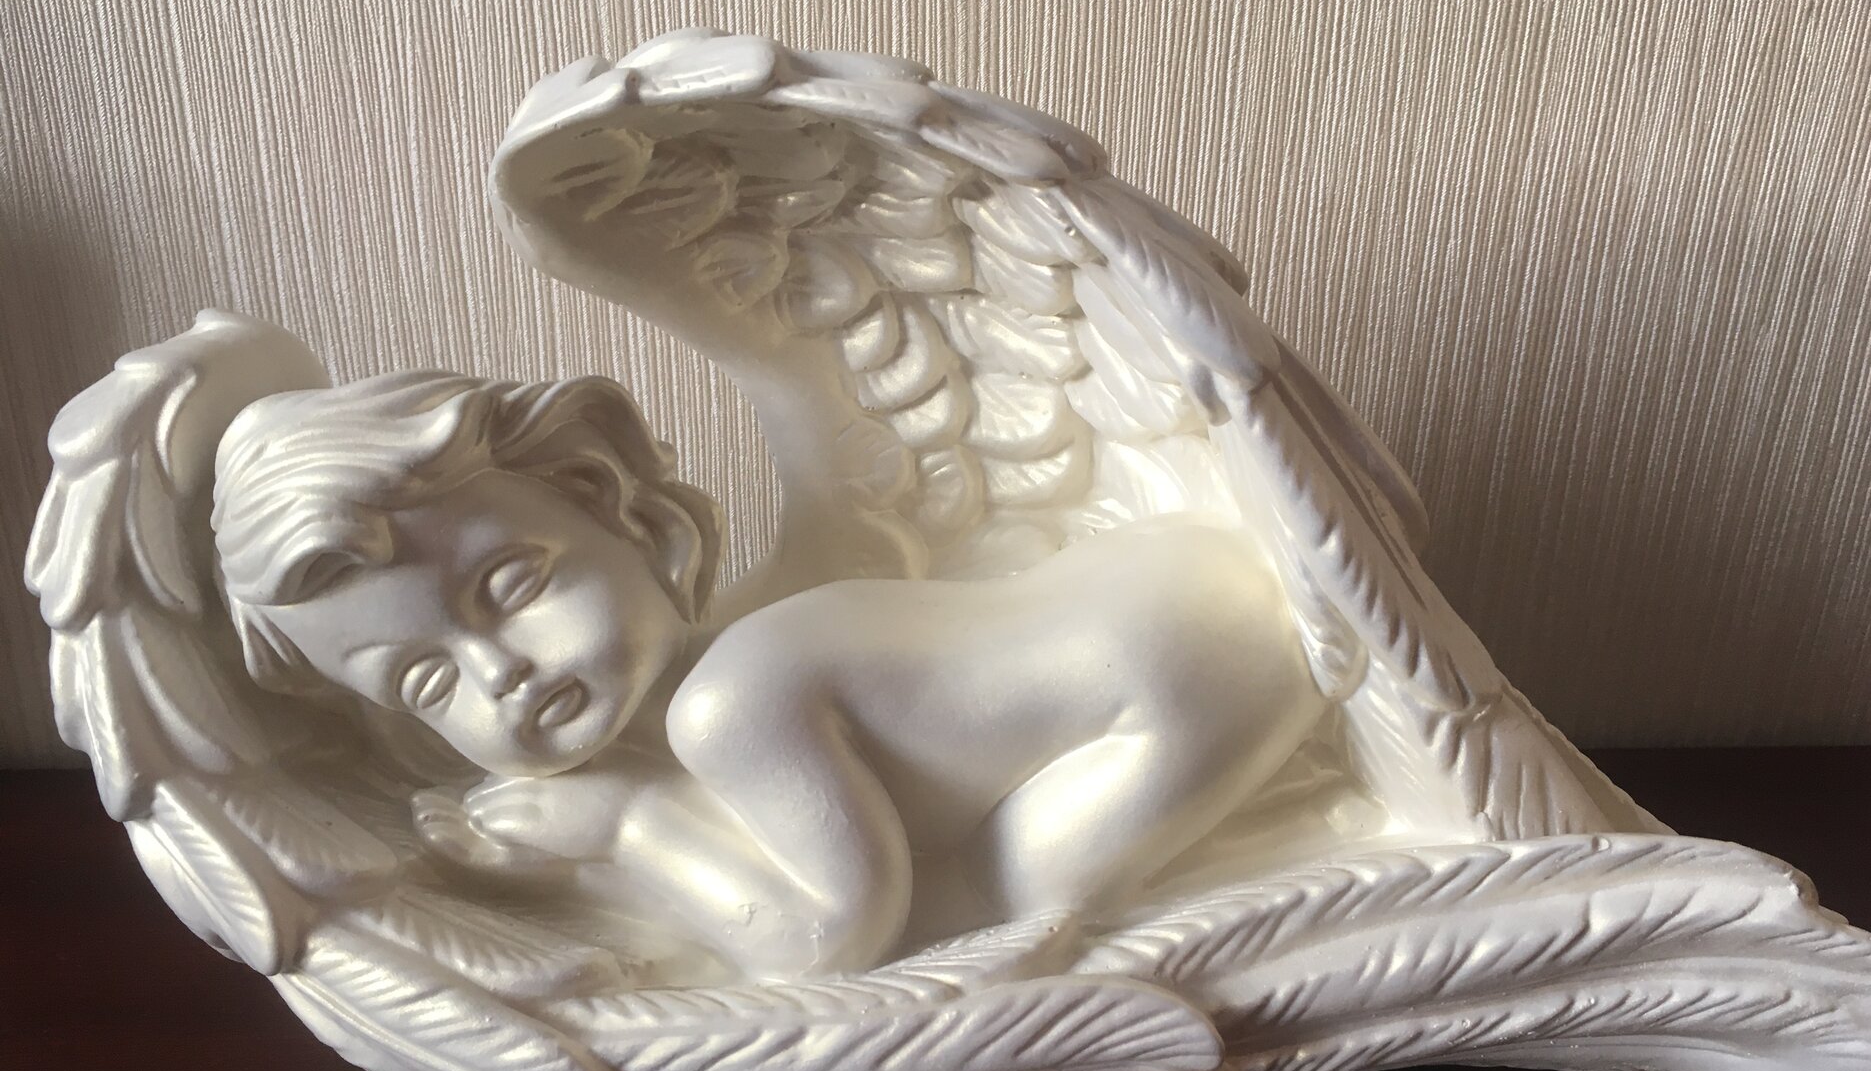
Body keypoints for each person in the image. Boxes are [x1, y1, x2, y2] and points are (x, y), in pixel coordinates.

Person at [213, 371, 1323, 977]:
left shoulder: (732, 701)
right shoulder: (734, 669)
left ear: (607, 500)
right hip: (1173, 581)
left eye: (510, 585)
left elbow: (828, 945)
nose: (498, 671)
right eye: (424, 682)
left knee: (999, 905)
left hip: (1192, 679)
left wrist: (628, 832)